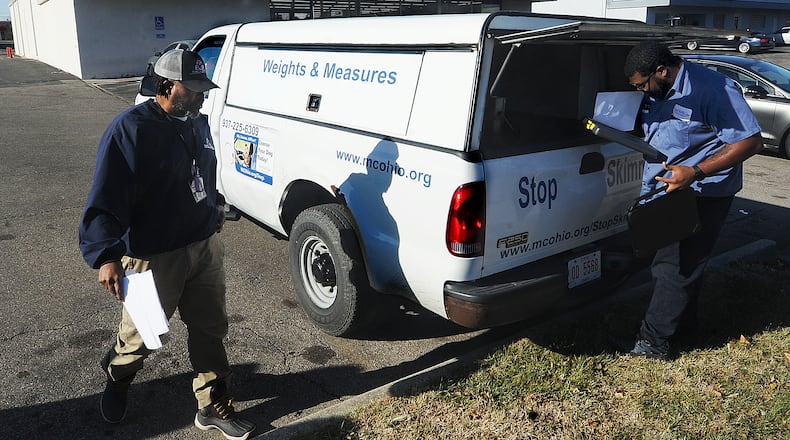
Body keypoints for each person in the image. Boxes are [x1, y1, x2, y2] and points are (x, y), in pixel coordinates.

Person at [79, 49, 255, 440]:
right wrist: (106, 256)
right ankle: (118, 375)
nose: (200, 96)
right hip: (149, 256)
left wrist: (215, 207)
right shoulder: (131, 130)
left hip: (203, 247)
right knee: (144, 337)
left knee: (210, 328)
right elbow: (106, 196)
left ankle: (211, 403)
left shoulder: (197, 123)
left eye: (202, 88)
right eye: (191, 89)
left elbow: (200, 176)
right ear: (164, 87)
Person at [622, 42, 763, 360]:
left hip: (703, 192)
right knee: (683, 264)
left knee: (674, 265)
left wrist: (695, 171)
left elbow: (749, 141)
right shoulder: (658, 90)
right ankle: (682, 330)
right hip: (667, 190)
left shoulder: (712, 89)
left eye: (643, 85)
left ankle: (653, 343)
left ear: (662, 71)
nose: (643, 92)